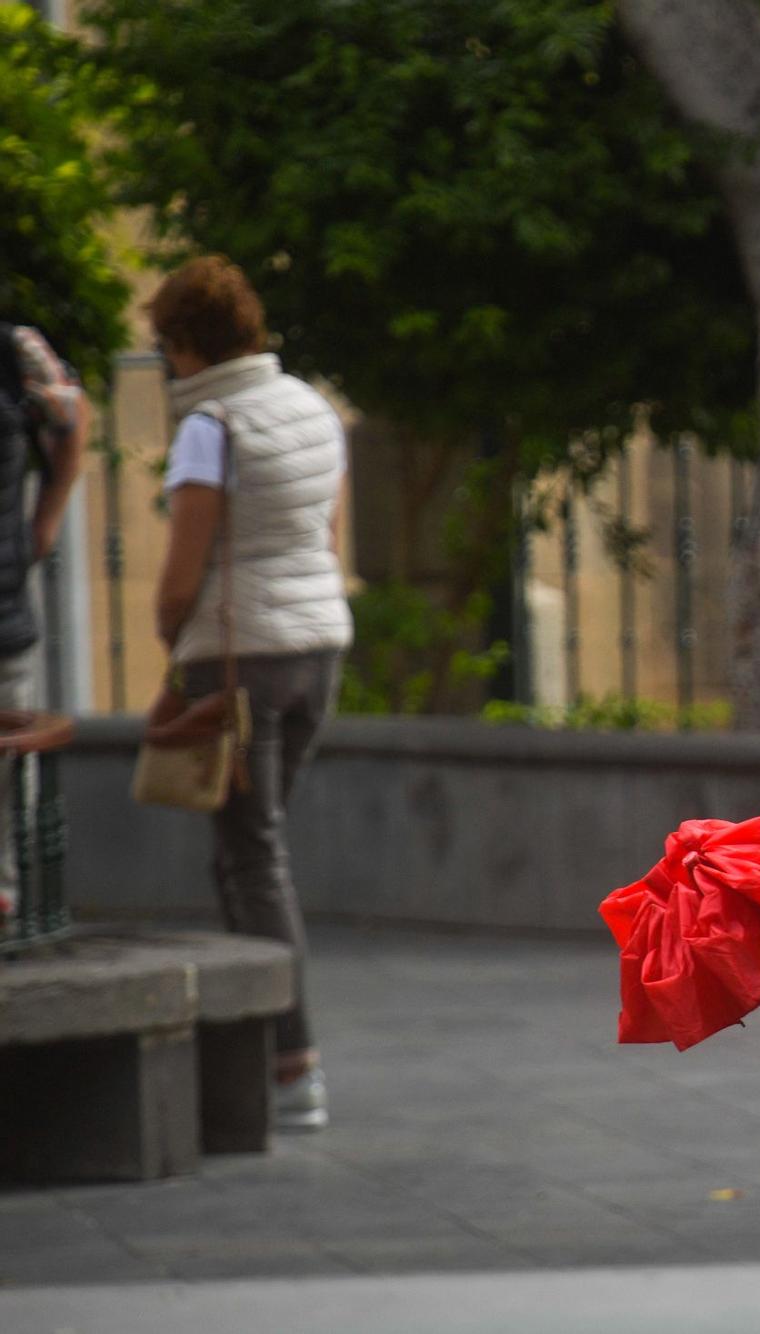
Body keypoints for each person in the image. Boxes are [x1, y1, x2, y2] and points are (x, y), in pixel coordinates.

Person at [147, 256, 353, 1128]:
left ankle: (292, 1064)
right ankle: (256, 1050)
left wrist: (171, 635)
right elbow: (325, 531)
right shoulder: (310, 405)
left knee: (253, 858)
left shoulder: (211, 426)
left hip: (241, 660)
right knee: (249, 852)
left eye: (166, 346)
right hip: (319, 648)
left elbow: (182, 573)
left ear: (187, 344)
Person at [0, 325, 88, 933]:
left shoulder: (13, 351)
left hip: (2, 618)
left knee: (2, 786)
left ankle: (2, 905)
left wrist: (46, 523)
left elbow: (70, 421)